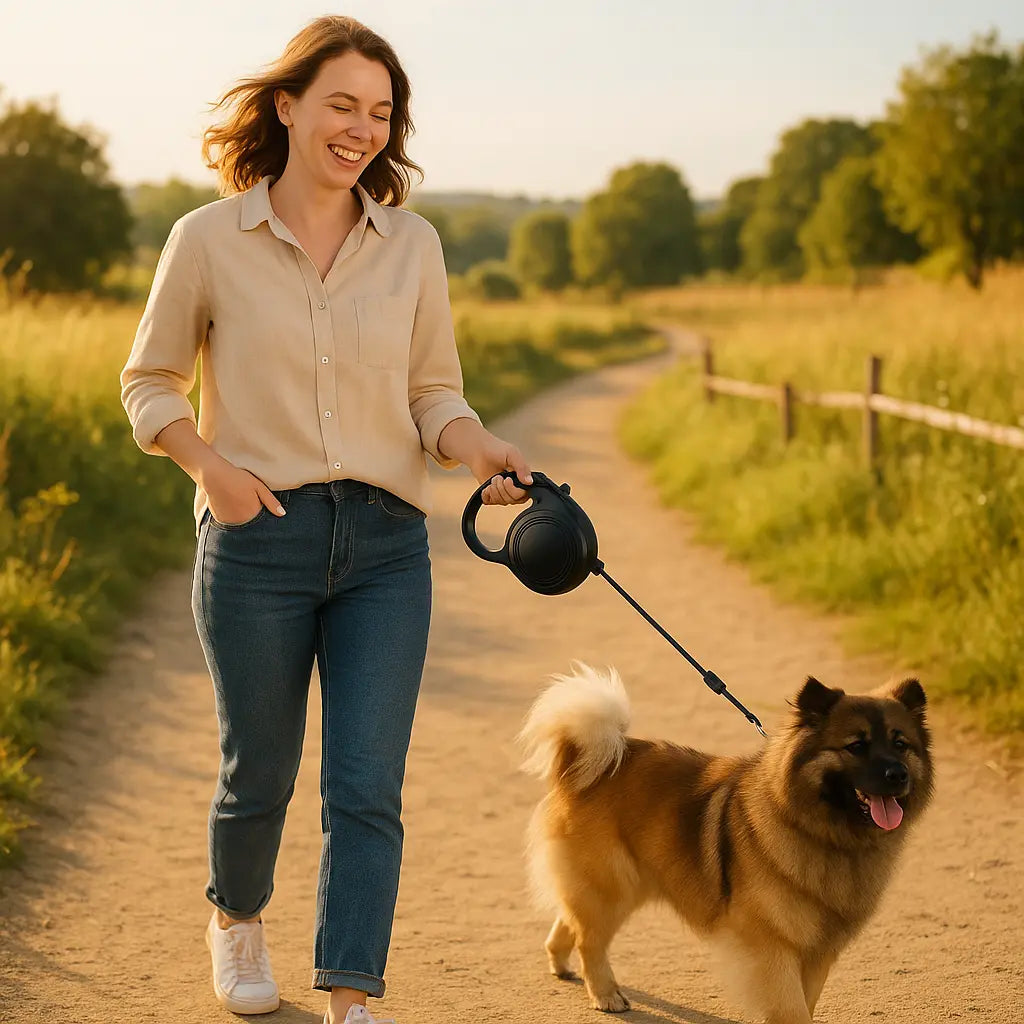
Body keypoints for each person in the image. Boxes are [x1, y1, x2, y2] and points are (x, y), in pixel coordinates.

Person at [119, 15, 532, 1024]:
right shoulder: (207, 238)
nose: (361, 128)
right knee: (257, 771)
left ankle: (351, 995)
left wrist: (478, 448)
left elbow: (435, 395)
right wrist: (209, 466)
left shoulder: (414, 247)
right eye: (342, 103)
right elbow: (147, 383)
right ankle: (235, 916)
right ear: (289, 106)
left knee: (365, 785)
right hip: (257, 538)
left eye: (381, 113)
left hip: (388, 549)